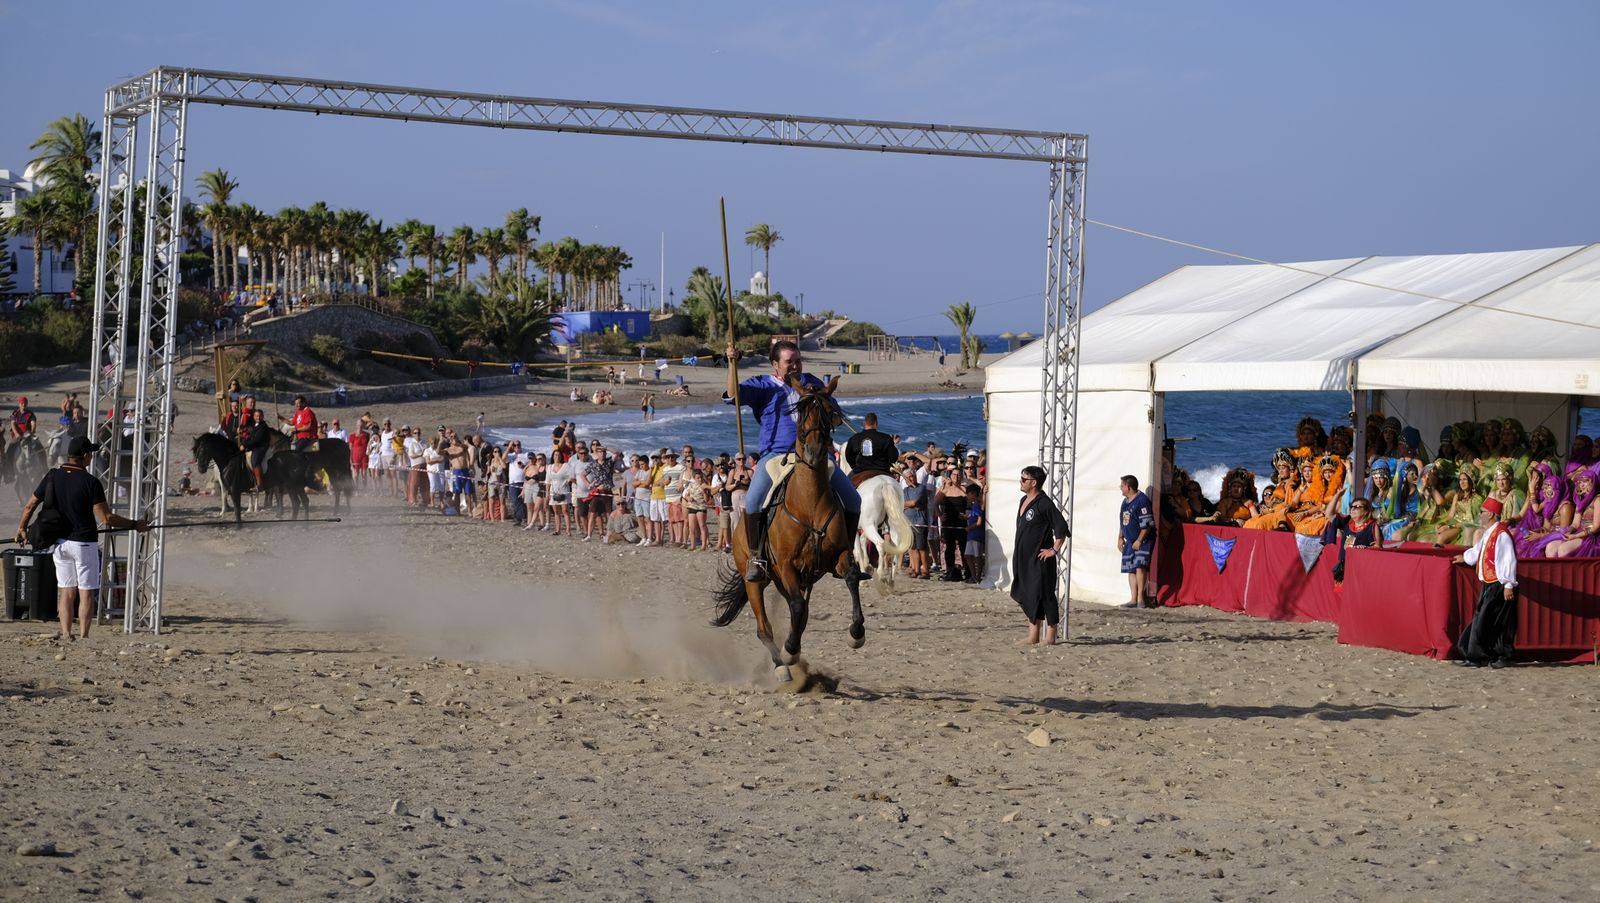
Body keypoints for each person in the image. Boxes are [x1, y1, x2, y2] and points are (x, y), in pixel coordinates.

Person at [723, 339, 862, 581]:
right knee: (753, 501)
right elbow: (733, 395)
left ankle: (847, 556)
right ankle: (756, 557)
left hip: (816, 457)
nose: (795, 366)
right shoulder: (763, 385)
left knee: (853, 499)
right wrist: (732, 363)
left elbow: (836, 418)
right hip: (775, 456)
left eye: (798, 361)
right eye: (789, 362)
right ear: (775, 364)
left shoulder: (813, 383)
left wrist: (830, 413)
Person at [13, 437, 151, 641]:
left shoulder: (52, 476)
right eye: (90, 454)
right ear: (85, 456)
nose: (91, 457)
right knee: (85, 592)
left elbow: (30, 505)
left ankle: (67, 633)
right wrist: (134, 524)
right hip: (84, 543)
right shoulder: (91, 482)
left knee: (67, 591)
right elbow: (106, 518)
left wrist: (22, 528)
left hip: (59, 544)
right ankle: (84, 636)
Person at [1451, 496, 1519, 668]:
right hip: (1490, 583)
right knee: (1485, 619)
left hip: (1499, 584)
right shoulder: (1490, 533)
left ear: (1490, 514)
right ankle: (1477, 655)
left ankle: (1489, 656)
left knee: (1495, 621)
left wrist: (1508, 584)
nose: (1479, 515)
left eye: (1482, 512)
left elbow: (1508, 560)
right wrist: (1465, 558)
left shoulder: (1501, 535)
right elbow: (1477, 551)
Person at [1011, 465, 1070, 645]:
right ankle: (1033, 635)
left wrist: (1053, 550)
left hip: (1040, 559)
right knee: (1028, 593)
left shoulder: (1044, 503)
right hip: (1024, 558)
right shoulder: (1023, 500)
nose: (1020, 482)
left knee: (1045, 594)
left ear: (1034, 483)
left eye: (1024, 479)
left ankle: (1051, 635)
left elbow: (1061, 528)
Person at [1117, 474, 1155, 608]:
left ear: (1128, 486)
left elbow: (1147, 524)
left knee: (1140, 567)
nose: (1120, 488)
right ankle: (1133, 598)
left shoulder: (1142, 500)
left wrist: (1139, 540)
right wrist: (1120, 537)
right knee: (1131, 569)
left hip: (1143, 541)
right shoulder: (1125, 502)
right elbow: (1123, 521)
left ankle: (1140, 598)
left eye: (1122, 485)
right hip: (1130, 540)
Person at [237, 408, 274, 491]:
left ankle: (259, 484)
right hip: (255, 446)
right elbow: (250, 437)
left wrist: (245, 445)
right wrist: (243, 443)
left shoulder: (263, 426)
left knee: (255, 460)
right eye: (256, 416)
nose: (258, 417)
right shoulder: (255, 425)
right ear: (254, 417)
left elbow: (256, 439)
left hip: (261, 447)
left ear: (263, 416)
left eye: (260, 416)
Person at [962, 483, 985, 584]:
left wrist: (969, 527)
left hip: (976, 534)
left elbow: (979, 522)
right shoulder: (974, 505)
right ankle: (974, 576)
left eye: (968, 494)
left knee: (977, 556)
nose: (967, 496)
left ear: (973, 494)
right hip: (971, 535)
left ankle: (978, 576)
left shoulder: (978, 504)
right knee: (967, 555)